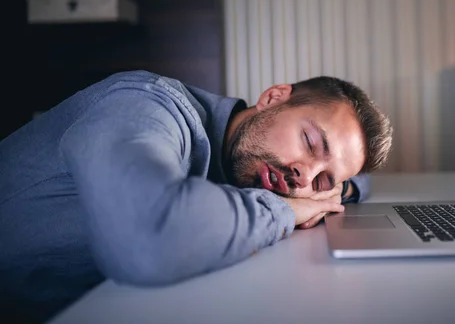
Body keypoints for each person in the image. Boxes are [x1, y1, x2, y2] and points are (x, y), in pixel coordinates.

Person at [0, 70, 392, 322]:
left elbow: (358, 186)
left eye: (323, 180)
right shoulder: (147, 105)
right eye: (309, 141)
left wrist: (337, 193)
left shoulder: (261, 169)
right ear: (274, 97)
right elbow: (149, 239)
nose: (303, 175)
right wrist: (283, 210)